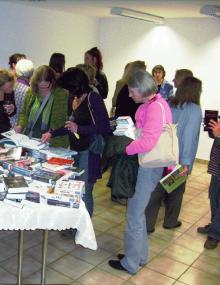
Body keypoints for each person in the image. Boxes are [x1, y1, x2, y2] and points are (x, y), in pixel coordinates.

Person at [108, 70, 172, 274]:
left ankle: (130, 263)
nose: (129, 94)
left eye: (131, 90)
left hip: (148, 166)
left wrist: (124, 148)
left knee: (134, 215)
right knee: (139, 214)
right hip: (148, 166)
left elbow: (147, 142)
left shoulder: (155, 108)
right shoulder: (155, 104)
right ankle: (139, 255)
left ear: (142, 89)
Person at [41, 68, 111, 217]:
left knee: (85, 192)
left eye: (68, 88)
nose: (67, 92)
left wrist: (79, 128)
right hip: (75, 150)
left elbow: (104, 126)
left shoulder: (93, 99)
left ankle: (84, 232)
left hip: (89, 151)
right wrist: (52, 133)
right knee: (74, 190)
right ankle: (73, 226)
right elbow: (70, 126)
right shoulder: (74, 99)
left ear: (75, 86)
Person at [145, 77, 203, 233]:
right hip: (178, 159)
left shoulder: (170, 104)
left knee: (156, 191)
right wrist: (186, 162)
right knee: (176, 191)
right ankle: (170, 221)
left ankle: (148, 224)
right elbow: (189, 138)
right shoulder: (195, 110)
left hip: (162, 154)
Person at [15, 65, 68, 148]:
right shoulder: (31, 92)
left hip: (53, 142)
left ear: (52, 82)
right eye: (40, 86)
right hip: (31, 140)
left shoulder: (60, 94)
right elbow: (24, 113)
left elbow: (61, 120)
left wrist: (51, 132)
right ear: (35, 82)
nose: (43, 89)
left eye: (46, 86)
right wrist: (20, 125)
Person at [197, 119, 220, 249]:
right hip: (216, 168)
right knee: (213, 197)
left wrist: (218, 135)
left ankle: (215, 235)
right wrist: (213, 130)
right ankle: (215, 225)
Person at [10, 59, 34, 128]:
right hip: (21, 128)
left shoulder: (9, 87)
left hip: (7, 127)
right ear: (32, 72)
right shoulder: (30, 91)